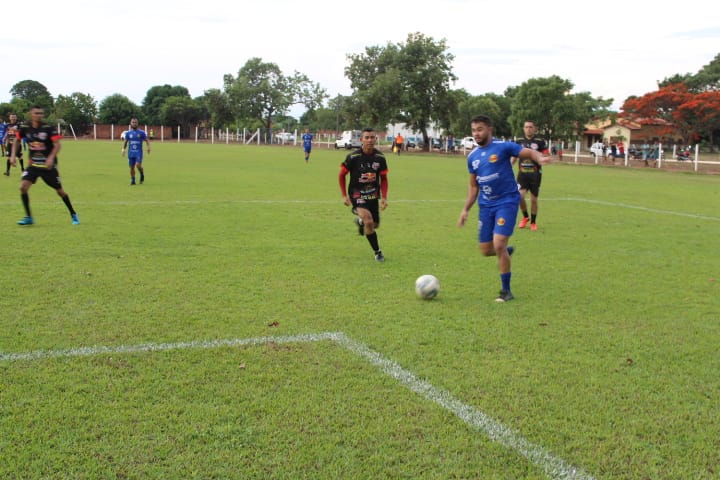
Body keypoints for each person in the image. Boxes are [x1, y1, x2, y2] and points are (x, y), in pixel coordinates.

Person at [457, 114, 551, 303]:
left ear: (489, 129)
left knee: (498, 245)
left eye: (480, 129)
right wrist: (466, 209)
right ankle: (505, 251)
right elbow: (474, 186)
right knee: (485, 250)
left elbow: (527, 152)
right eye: (474, 130)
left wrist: (539, 157)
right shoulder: (473, 157)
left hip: (507, 202)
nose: (476, 133)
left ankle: (506, 292)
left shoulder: (503, 147)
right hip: (486, 205)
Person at [10, 106, 79, 226]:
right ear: (31, 114)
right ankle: (29, 217)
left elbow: (57, 145)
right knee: (23, 187)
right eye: (37, 113)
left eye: (41, 113)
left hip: (48, 167)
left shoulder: (48, 128)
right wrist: (12, 156)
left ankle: (73, 214)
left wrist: (51, 158)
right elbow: (16, 140)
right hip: (33, 166)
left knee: (60, 191)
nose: (39, 115)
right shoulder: (25, 127)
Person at [338, 127, 389, 262]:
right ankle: (378, 252)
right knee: (369, 220)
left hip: (373, 195)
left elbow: (383, 179)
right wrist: (344, 195)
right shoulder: (353, 157)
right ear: (361, 140)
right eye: (367, 138)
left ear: (376, 139)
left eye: (372, 137)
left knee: (373, 225)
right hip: (357, 194)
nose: (370, 140)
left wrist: (384, 197)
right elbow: (342, 175)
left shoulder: (380, 158)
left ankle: (360, 222)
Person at [512, 120, 548, 231]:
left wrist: (543, 159)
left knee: (533, 199)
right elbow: (514, 156)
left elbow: (545, 154)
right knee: (519, 196)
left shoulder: (540, 141)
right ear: (523, 128)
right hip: (522, 174)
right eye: (526, 127)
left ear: (534, 128)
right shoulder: (518, 141)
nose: (528, 129)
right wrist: (509, 165)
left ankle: (533, 222)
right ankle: (525, 217)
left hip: (535, 174)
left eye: (530, 127)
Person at [121, 117, 151, 185]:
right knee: (131, 167)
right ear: (130, 123)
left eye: (135, 122)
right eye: (133, 122)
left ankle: (141, 174)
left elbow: (147, 140)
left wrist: (148, 147)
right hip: (131, 152)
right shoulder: (128, 133)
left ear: (137, 123)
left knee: (138, 165)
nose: (134, 124)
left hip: (138, 152)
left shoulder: (142, 133)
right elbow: (125, 142)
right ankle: (133, 180)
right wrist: (123, 149)